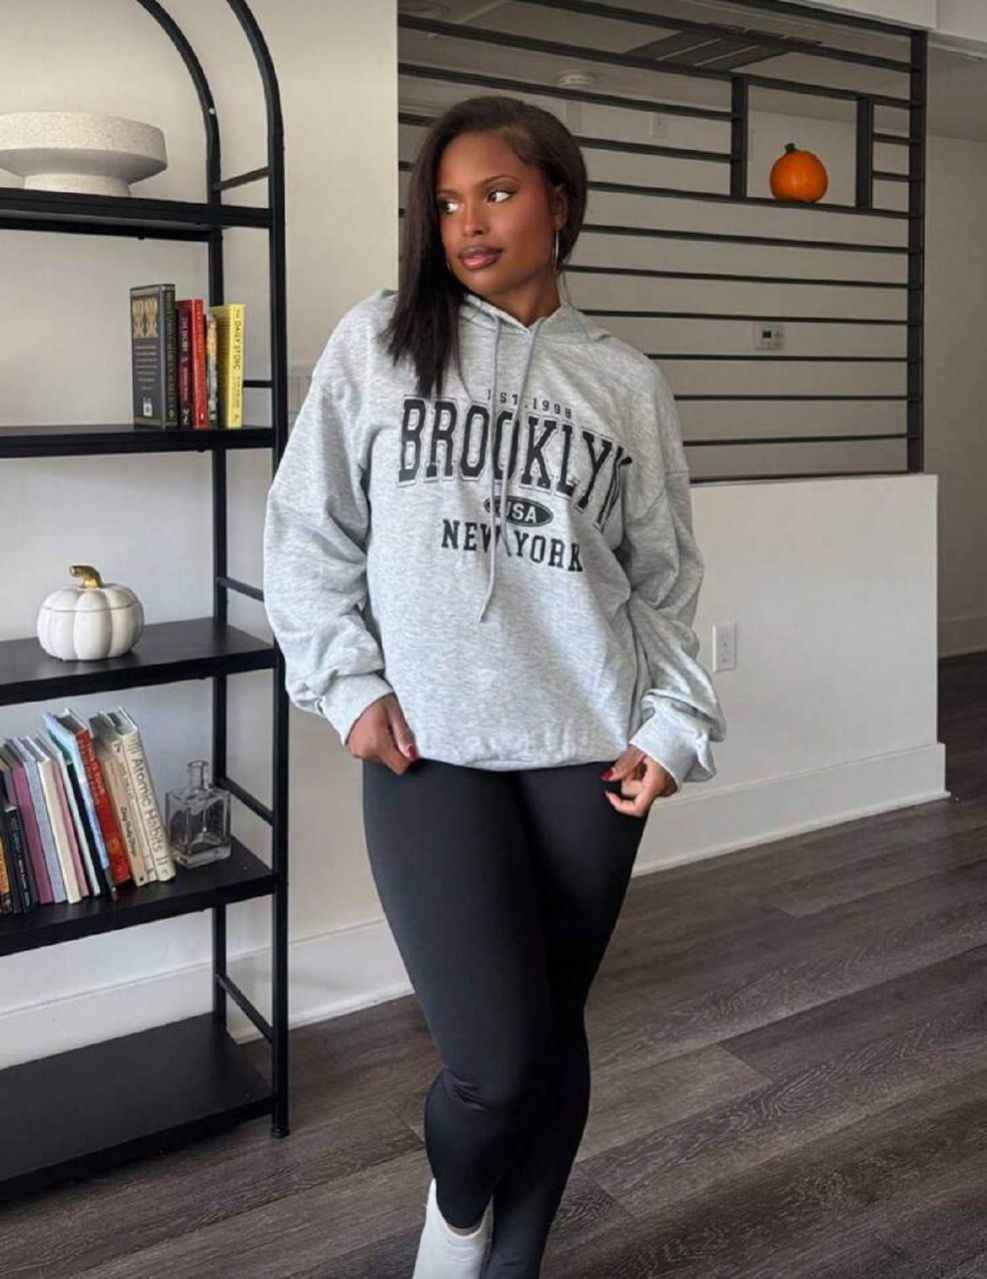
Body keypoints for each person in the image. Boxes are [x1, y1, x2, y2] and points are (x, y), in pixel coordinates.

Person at [262, 94, 726, 1279]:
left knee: (550, 1037)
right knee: (495, 1062)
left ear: (560, 202)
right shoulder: (381, 342)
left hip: (587, 754)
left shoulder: (624, 383)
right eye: (447, 202)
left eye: (499, 193)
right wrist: (348, 685)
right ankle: (457, 1213)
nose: (467, 222)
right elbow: (306, 531)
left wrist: (674, 723)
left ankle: (504, 1264)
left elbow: (664, 580)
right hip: (429, 748)